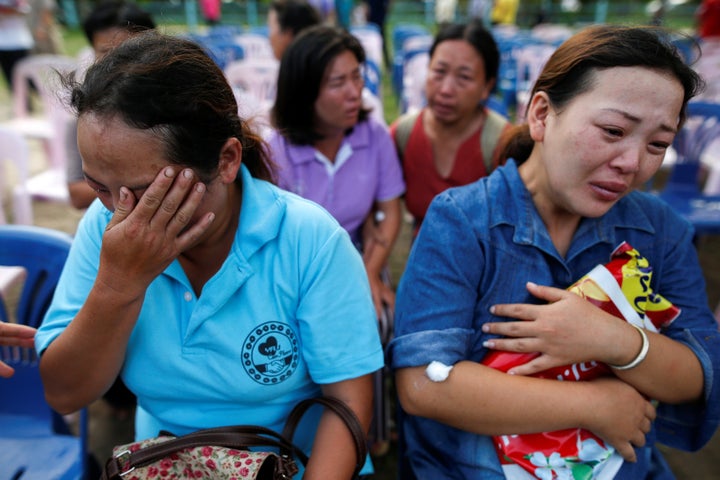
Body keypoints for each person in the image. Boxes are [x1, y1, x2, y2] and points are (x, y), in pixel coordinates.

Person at [35, 31, 383, 479]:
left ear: (226, 160)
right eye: (99, 187)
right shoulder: (104, 232)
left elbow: (348, 404)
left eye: (146, 193)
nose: (119, 212)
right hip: (165, 463)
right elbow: (64, 393)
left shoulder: (310, 243)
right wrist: (118, 285)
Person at [389, 24, 720, 479]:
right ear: (542, 114)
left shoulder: (661, 232)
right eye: (613, 130)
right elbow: (424, 383)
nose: (632, 162)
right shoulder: (464, 222)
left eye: (657, 144)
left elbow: (699, 375)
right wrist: (595, 404)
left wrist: (611, 340)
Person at [269, 25, 405, 319]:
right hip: (296, 268)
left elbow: (391, 213)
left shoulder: (374, 136)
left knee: (380, 319)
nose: (355, 92)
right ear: (304, 91)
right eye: (337, 83)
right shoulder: (277, 151)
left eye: (357, 77)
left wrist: (367, 273)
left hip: (358, 256)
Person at [390, 20, 509, 236]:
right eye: (439, 71)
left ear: (487, 87)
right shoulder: (402, 134)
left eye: (464, 77)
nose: (446, 89)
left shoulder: (502, 144)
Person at [65, 0, 156, 210]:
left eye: (131, 51)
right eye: (106, 53)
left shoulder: (179, 109)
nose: (120, 63)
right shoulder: (85, 122)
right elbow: (77, 194)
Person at [0, 0, 33, 92]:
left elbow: (24, 10)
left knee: (29, 78)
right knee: (11, 80)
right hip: (2, 44)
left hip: (19, 42)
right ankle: (24, 105)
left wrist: (5, 10)